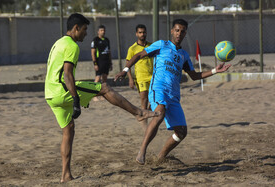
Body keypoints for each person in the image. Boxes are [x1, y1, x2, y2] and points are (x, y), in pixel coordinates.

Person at [44, 13, 159, 182]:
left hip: (49, 94)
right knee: (104, 88)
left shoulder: (58, 43)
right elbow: (68, 74)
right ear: (76, 28)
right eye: (84, 30)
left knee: (68, 130)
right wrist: (75, 100)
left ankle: (66, 175)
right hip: (62, 89)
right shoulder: (72, 46)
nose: (85, 33)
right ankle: (138, 113)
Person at [114, 18, 232, 165]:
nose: (179, 34)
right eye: (177, 30)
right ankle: (142, 151)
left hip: (174, 95)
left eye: (182, 32)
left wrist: (215, 70)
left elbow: (194, 76)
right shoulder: (161, 44)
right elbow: (138, 55)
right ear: (172, 31)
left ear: (185, 34)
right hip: (158, 88)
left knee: (182, 132)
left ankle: (161, 156)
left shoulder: (184, 55)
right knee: (160, 112)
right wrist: (125, 70)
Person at [126, 24, 153, 131]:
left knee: (156, 98)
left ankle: (148, 115)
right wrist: (130, 79)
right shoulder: (132, 48)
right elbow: (127, 64)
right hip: (141, 77)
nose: (142, 34)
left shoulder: (151, 46)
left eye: (144, 32)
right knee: (144, 99)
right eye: (140, 32)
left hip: (153, 76)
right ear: (136, 34)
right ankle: (145, 124)